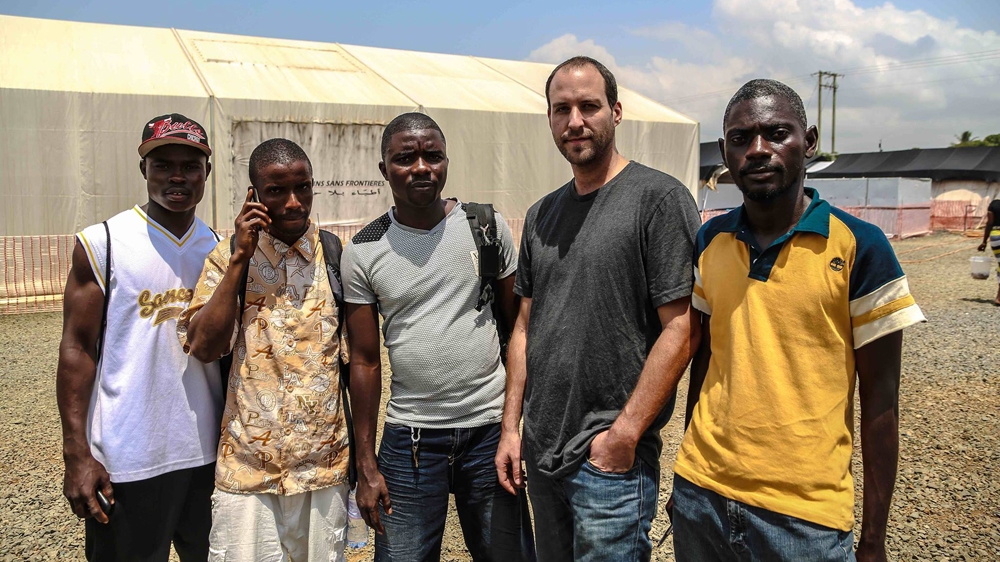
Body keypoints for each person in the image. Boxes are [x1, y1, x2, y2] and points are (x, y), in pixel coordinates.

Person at [671, 79, 927, 562]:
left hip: (806, 518)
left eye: (777, 133)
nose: (759, 150)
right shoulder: (711, 240)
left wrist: (873, 539)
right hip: (701, 495)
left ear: (808, 142)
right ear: (725, 151)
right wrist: (685, 481)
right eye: (741, 139)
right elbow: (703, 366)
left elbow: (881, 402)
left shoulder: (861, 246)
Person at [494, 56, 702, 561]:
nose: (575, 122)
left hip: (608, 463)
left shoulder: (658, 200)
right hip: (542, 456)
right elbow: (523, 327)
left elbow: (682, 328)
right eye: (561, 109)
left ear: (616, 111)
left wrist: (625, 433)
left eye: (589, 106)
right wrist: (510, 428)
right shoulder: (543, 214)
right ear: (548, 118)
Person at [342, 112, 527, 561]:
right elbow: (365, 361)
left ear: (446, 162)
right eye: (405, 158)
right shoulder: (364, 249)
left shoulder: (485, 226)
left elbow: (518, 330)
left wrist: (514, 428)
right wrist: (366, 464)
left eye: (433, 155)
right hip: (410, 441)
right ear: (384, 169)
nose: (421, 167)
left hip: (488, 434)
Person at [57, 113, 222, 561]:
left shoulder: (220, 248)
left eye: (190, 166)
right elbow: (76, 349)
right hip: (129, 456)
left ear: (207, 172)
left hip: (208, 455)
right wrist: (77, 453)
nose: (176, 176)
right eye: (162, 164)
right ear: (143, 169)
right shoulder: (103, 242)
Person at [177, 138, 351, 561]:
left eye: (303, 188)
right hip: (249, 469)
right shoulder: (226, 257)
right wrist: (240, 258)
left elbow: (358, 359)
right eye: (276, 191)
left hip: (324, 467)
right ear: (253, 195)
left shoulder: (334, 255)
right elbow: (202, 346)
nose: (294, 203)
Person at [977, 198, 1000, 305]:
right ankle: (999, 297)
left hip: (996, 236)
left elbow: (989, 223)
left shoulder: (994, 204)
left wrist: (984, 242)